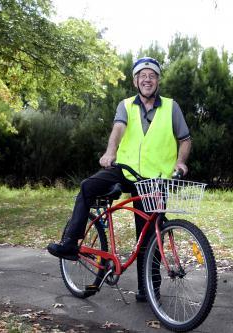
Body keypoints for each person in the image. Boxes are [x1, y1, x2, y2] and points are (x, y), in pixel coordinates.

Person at [47, 56, 191, 301]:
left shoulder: (170, 106)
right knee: (88, 187)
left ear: (157, 81)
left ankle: (148, 290)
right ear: (136, 81)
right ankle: (71, 242)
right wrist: (110, 152)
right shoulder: (126, 105)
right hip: (124, 171)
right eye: (143, 76)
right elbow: (119, 128)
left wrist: (180, 161)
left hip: (155, 179)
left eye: (152, 75)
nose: (147, 79)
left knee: (149, 236)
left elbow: (185, 139)